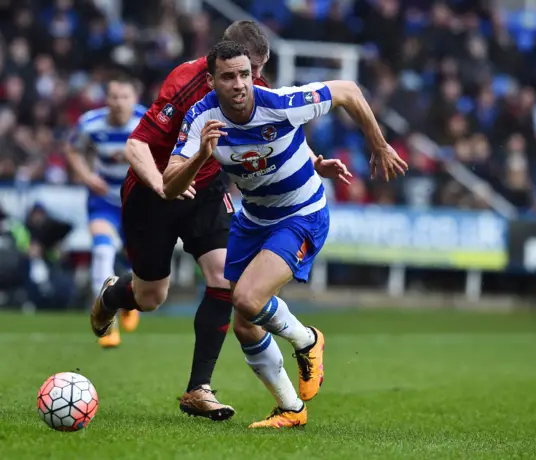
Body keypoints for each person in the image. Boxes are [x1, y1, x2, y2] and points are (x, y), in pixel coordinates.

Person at [89, 21, 349, 421]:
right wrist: (162, 185)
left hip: (206, 190)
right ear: (220, 64)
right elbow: (136, 143)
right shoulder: (184, 82)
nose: (254, 80)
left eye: (255, 71)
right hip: (152, 192)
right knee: (151, 297)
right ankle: (112, 296)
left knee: (223, 280)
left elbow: (275, 127)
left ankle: (199, 389)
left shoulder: (246, 85)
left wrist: (312, 161)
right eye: (248, 70)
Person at [162, 41, 408, 428]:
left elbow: (348, 90)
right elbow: (170, 186)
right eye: (228, 77)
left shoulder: (280, 102)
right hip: (254, 219)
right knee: (245, 321)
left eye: (244, 74)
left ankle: (307, 340)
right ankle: (291, 409)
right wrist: (199, 156)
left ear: (253, 74)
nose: (239, 84)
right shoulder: (200, 119)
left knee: (246, 297)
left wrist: (378, 144)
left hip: (301, 214)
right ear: (211, 81)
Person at [66, 74, 146, 347]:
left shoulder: (146, 121)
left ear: (134, 99)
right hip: (104, 201)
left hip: (137, 201)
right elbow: (72, 149)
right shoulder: (90, 123)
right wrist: (87, 177)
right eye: (113, 97)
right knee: (102, 249)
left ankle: (128, 302)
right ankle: (106, 320)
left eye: (124, 97)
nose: (118, 103)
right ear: (106, 98)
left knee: (140, 258)